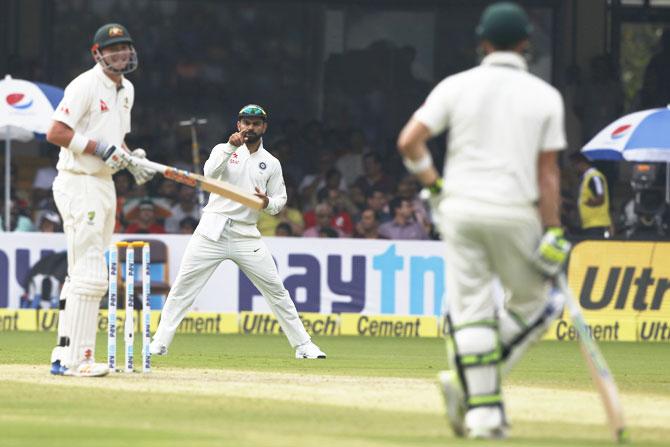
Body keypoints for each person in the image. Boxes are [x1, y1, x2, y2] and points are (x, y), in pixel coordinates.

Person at [397, 2, 571, 439]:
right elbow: (547, 175)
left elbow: (410, 143)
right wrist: (553, 230)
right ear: (527, 43)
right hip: (515, 211)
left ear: (483, 42)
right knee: (540, 303)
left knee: (471, 310)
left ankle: (482, 412)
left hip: (459, 209)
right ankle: (471, 394)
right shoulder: (545, 95)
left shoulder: (456, 86)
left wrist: (434, 186)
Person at [150, 104, 326, 359]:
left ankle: (303, 346)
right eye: (246, 122)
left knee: (276, 290)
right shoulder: (222, 150)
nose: (250, 127)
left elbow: (279, 202)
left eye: (256, 123)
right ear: (238, 125)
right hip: (212, 230)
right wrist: (231, 147)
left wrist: (266, 203)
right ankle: (160, 342)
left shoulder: (271, 163)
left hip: (246, 234)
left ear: (264, 127)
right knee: (183, 287)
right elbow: (210, 174)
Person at [45, 23, 155, 377]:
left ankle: (63, 356)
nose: (122, 53)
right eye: (114, 48)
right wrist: (100, 149)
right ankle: (79, 359)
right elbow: (56, 132)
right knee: (92, 273)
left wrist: (131, 158)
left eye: (126, 47)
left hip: (104, 184)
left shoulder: (128, 91)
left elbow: (113, 140)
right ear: (98, 53)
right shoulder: (84, 85)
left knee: (82, 272)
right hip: (78, 182)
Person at [569, 153, 613, 239]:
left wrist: (589, 203)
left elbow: (601, 198)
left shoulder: (594, 176)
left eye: (574, 165)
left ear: (581, 163)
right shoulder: (586, 177)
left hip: (597, 224)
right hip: (589, 224)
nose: (573, 169)